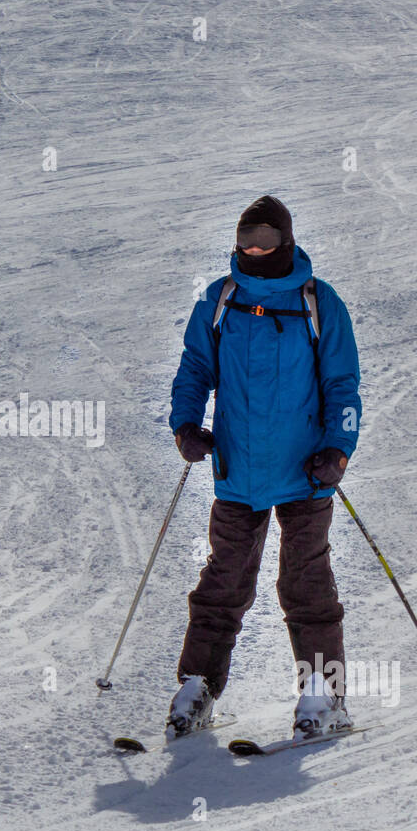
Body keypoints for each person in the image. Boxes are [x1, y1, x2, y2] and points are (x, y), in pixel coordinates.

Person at [167, 194, 362, 738]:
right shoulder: (221, 298)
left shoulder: (318, 302)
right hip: (238, 471)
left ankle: (322, 693)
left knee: (307, 583)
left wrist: (338, 447)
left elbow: (342, 383)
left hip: (306, 473)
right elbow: (195, 368)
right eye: (247, 239)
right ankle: (197, 685)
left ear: (287, 241)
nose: (256, 249)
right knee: (223, 580)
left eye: (267, 240)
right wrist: (185, 424)